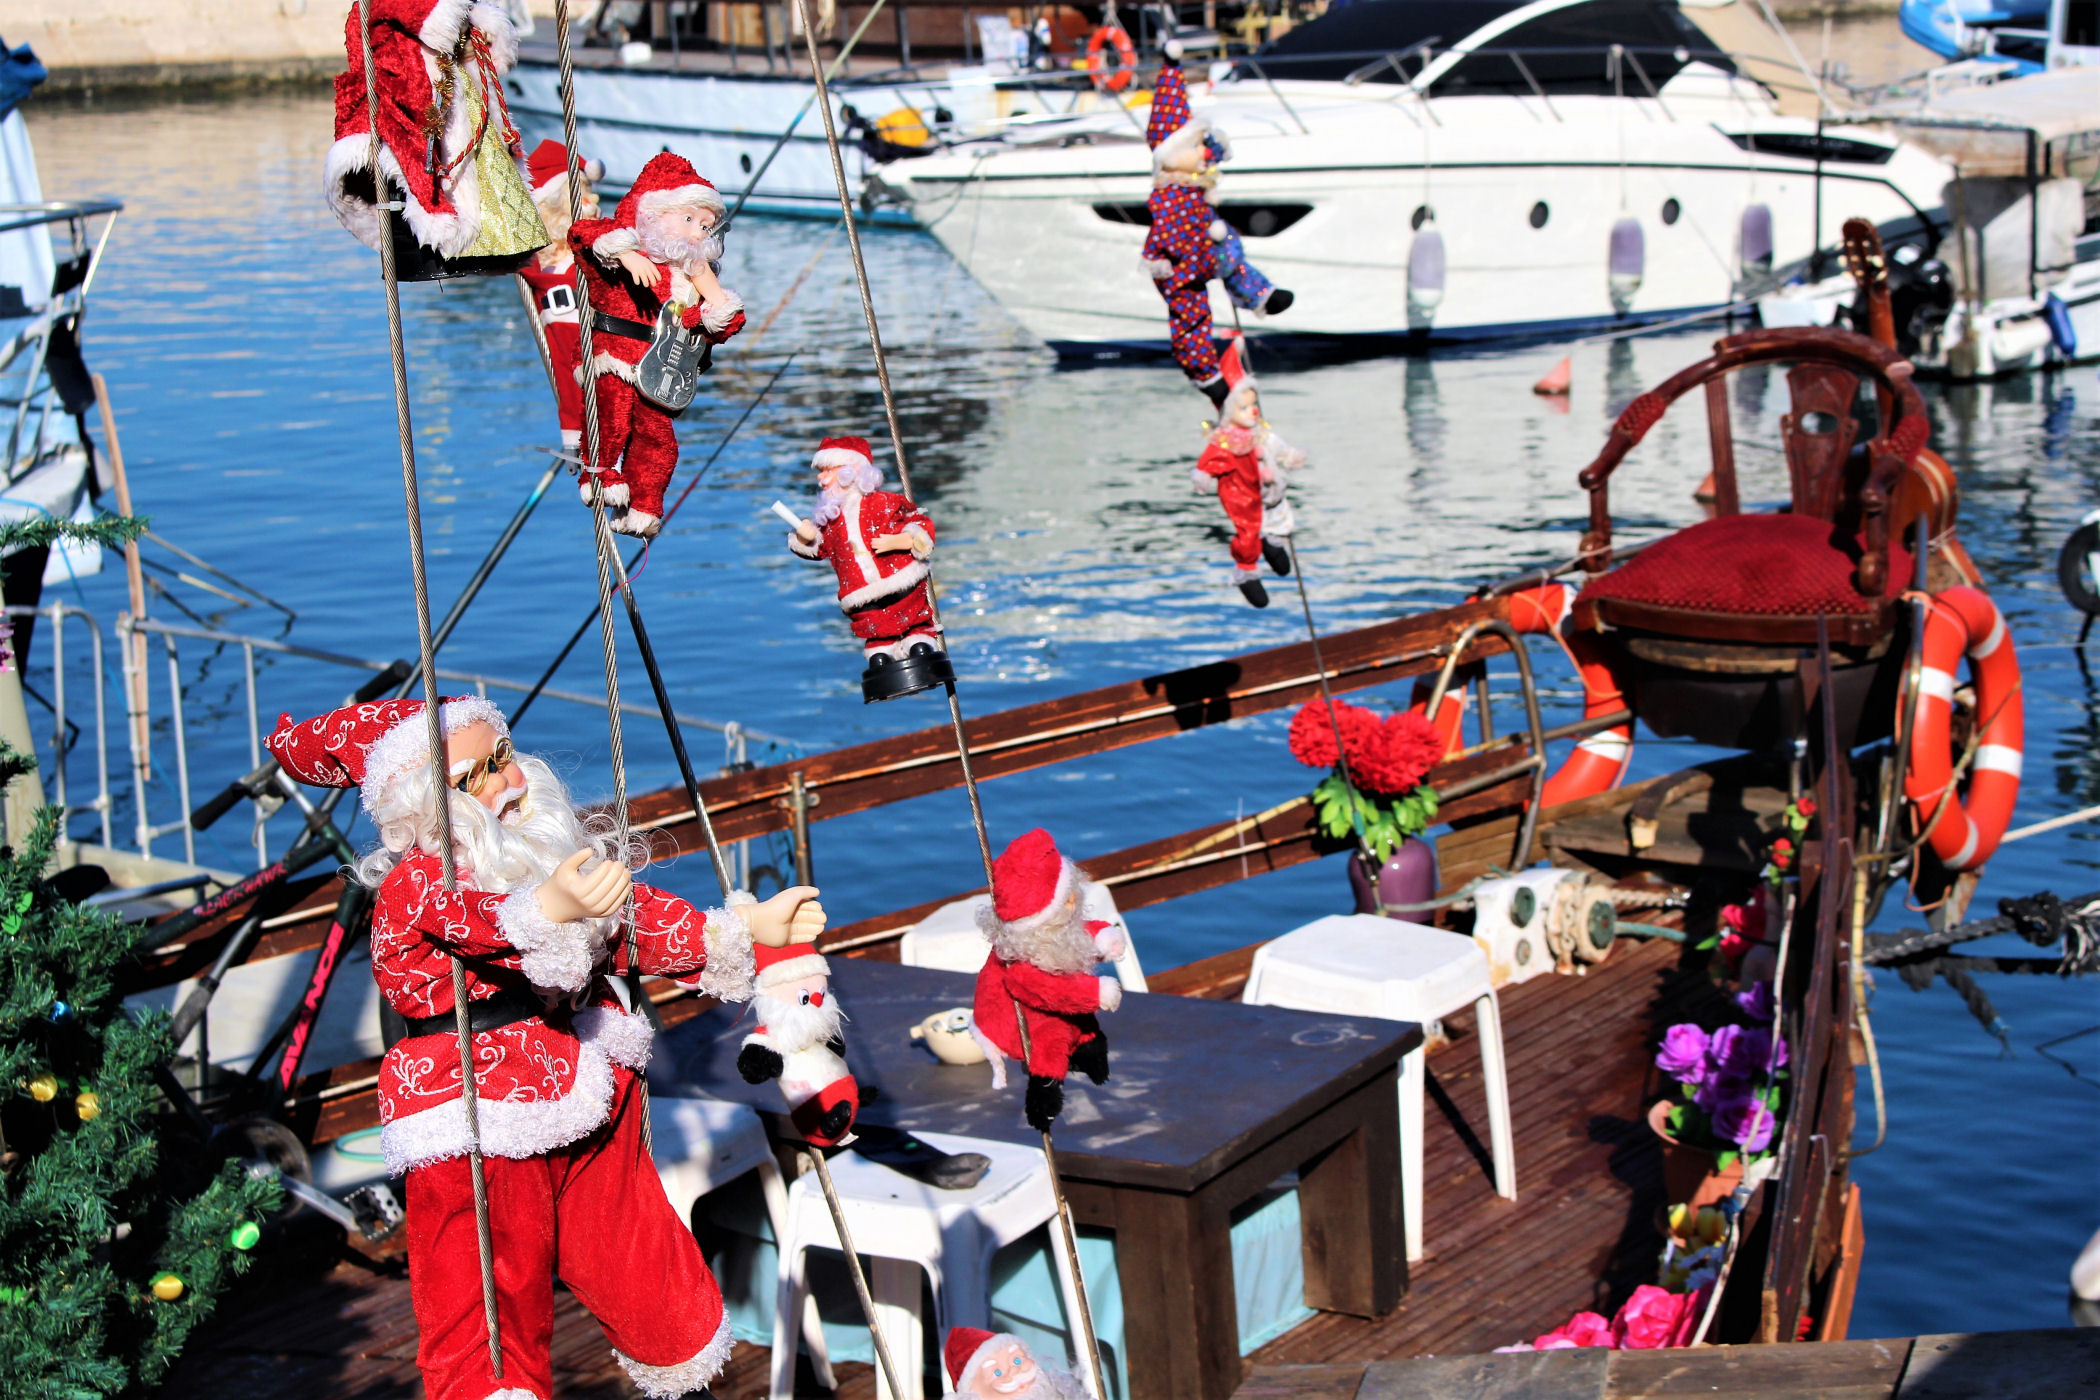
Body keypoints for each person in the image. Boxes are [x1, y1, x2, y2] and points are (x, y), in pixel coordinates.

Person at [265, 695, 821, 1400]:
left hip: (583, 1075)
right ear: (422, 804)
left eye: (503, 758)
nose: (510, 782)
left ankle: (680, 1365)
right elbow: (472, 920)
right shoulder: (416, 884)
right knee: (487, 1294)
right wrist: (551, 908)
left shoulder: (532, 854)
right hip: (475, 1113)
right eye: (477, 776)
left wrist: (742, 931)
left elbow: (625, 922)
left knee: (636, 1252)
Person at [568, 152, 746, 536]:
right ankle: (599, 475)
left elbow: (707, 327)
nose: (697, 234)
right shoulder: (622, 253)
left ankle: (644, 508)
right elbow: (582, 233)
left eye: (705, 226)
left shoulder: (689, 278)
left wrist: (714, 301)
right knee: (611, 418)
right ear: (654, 214)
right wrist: (626, 253)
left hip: (660, 370)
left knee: (660, 441)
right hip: (615, 356)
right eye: (689, 220)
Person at [1143, 56, 1290, 405]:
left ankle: (1259, 295)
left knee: (1234, 260)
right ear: (1171, 155)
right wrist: (1205, 245)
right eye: (1194, 147)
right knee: (1190, 316)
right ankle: (1206, 374)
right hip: (1179, 267)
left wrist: (1213, 242)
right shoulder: (1169, 195)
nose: (1203, 153)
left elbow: (1214, 151)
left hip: (1206, 252)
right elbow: (1169, 235)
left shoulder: (1193, 182)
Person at [971, 828, 1127, 1131]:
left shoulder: (1055, 930)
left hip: (1061, 1005)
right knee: (1051, 1040)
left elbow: (1077, 933)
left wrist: (1103, 937)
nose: (1073, 901)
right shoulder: (1019, 958)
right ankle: (1043, 1100)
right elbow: (1047, 990)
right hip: (1017, 1019)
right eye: (1064, 901)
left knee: (1083, 1026)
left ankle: (1089, 1056)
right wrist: (1096, 993)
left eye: (1070, 893)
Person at [786, 434, 951, 699]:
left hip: (899, 578)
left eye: (828, 470)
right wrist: (805, 538)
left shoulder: (885, 503)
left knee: (912, 619)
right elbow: (820, 549)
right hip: (859, 591)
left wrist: (903, 540)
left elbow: (919, 524)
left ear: (851, 470)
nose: (821, 478)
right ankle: (881, 657)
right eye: (821, 471)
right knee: (875, 626)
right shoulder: (831, 522)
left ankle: (919, 646)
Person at [1192, 355, 1304, 608]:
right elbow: (1211, 460)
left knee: (1277, 514)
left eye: (1253, 405)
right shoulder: (1227, 443)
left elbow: (1277, 446)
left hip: (1267, 491)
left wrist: (1290, 456)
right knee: (1248, 532)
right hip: (1242, 495)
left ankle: (1271, 542)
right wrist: (1204, 474)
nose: (1253, 411)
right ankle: (1247, 573)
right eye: (1244, 408)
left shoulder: (1260, 434)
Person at [516, 139, 604, 455]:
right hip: (584, 400)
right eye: (581, 193)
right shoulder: (542, 270)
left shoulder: (596, 260)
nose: (594, 199)